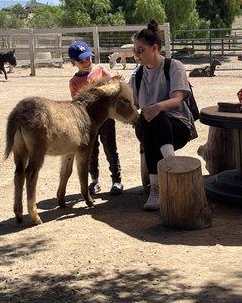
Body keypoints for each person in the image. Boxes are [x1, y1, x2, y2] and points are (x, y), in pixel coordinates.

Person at [129, 20, 197, 211]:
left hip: (178, 127)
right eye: (135, 50)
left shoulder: (173, 66)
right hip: (150, 128)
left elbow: (177, 99)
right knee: (149, 121)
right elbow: (130, 103)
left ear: (154, 48)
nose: (136, 54)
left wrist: (157, 107)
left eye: (140, 50)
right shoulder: (137, 75)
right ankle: (166, 174)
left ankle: (160, 183)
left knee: (154, 116)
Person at [68, 40, 124, 195]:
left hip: (106, 118)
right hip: (88, 121)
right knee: (91, 150)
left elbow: (113, 81)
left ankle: (117, 180)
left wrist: (117, 78)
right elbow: (77, 103)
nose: (87, 62)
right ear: (74, 63)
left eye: (88, 58)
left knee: (110, 147)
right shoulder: (74, 82)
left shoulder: (100, 69)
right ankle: (95, 180)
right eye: (82, 61)